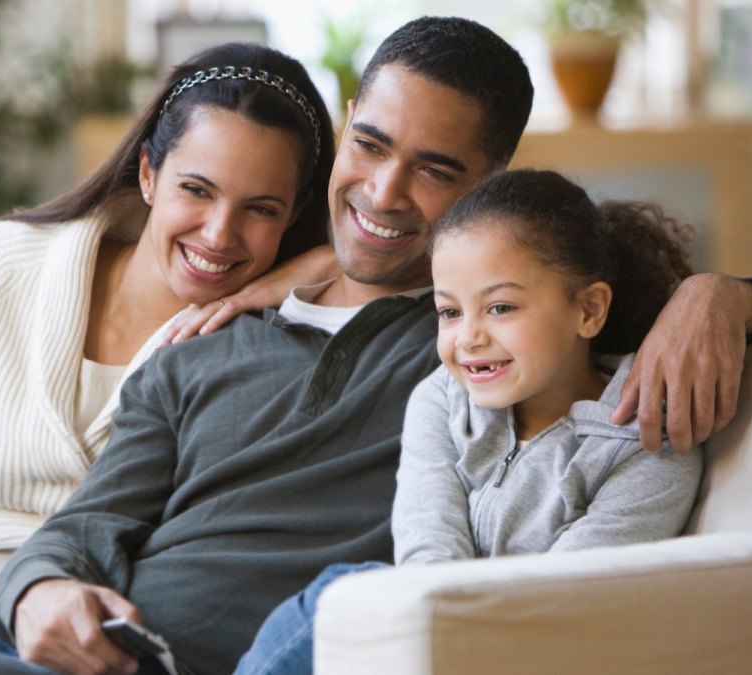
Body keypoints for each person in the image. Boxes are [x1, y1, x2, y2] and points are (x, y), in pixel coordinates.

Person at [0, 16, 752, 675]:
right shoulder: (205, 344)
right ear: (345, 125)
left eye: (435, 169)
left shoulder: (487, 346)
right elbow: (88, 523)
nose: (383, 190)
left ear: (489, 186)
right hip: (92, 646)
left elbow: (594, 313)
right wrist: (43, 587)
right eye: (371, 144)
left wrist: (722, 293)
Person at [0, 42, 336, 607]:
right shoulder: (2, 265)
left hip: (96, 623)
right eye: (196, 189)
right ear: (147, 174)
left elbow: (446, 262)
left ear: (295, 213)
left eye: (261, 208)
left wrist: (330, 261)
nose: (218, 234)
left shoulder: (270, 346)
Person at [234, 168, 707, 675]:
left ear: (589, 310)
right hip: (438, 640)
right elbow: (426, 553)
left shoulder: (646, 441)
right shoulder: (440, 400)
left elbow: (568, 598)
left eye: (500, 307)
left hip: (539, 654)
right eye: (449, 312)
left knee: (342, 591)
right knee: (339, 595)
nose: (468, 338)